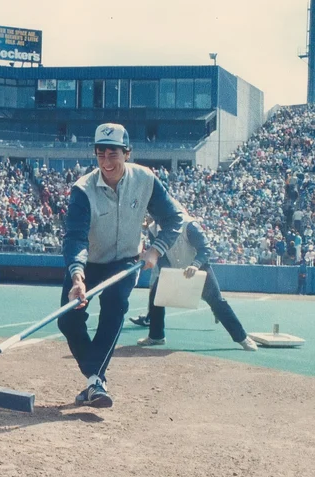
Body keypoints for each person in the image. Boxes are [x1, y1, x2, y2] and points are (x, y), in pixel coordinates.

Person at [57, 124, 184, 408]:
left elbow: (175, 218)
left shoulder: (146, 180)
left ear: (127, 153)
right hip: (88, 262)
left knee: (114, 305)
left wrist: (155, 250)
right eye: (100, 154)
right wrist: (77, 276)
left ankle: (94, 382)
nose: (106, 161)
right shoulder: (82, 190)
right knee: (67, 319)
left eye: (113, 153)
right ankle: (95, 380)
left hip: (125, 260)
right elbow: (75, 237)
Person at [133, 211, 258, 351]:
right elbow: (160, 254)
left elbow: (205, 249)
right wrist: (168, 273)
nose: (151, 216)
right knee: (156, 295)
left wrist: (195, 265)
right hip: (175, 268)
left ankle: (242, 337)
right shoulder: (153, 229)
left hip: (199, 268)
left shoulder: (189, 225)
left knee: (217, 302)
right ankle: (156, 336)